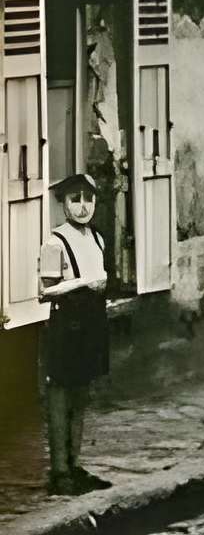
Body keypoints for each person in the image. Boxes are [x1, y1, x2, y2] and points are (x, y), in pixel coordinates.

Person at [37, 174, 113, 497]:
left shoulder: (98, 239)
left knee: (81, 395)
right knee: (60, 396)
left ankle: (75, 463)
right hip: (65, 324)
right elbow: (44, 291)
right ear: (64, 204)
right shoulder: (54, 243)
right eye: (75, 200)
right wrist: (83, 284)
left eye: (88, 199)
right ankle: (60, 471)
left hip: (91, 322)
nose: (82, 207)